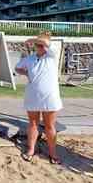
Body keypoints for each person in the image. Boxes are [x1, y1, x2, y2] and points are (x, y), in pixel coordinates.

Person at [15, 33, 62, 163]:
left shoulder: (52, 55)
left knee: (49, 126)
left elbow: (46, 43)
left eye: (42, 45)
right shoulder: (29, 58)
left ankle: (53, 153)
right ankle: (31, 150)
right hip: (32, 95)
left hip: (50, 97)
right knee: (33, 124)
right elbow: (17, 68)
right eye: (38, 45)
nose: (41, 47)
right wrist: (26, 73)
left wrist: (33, 39)